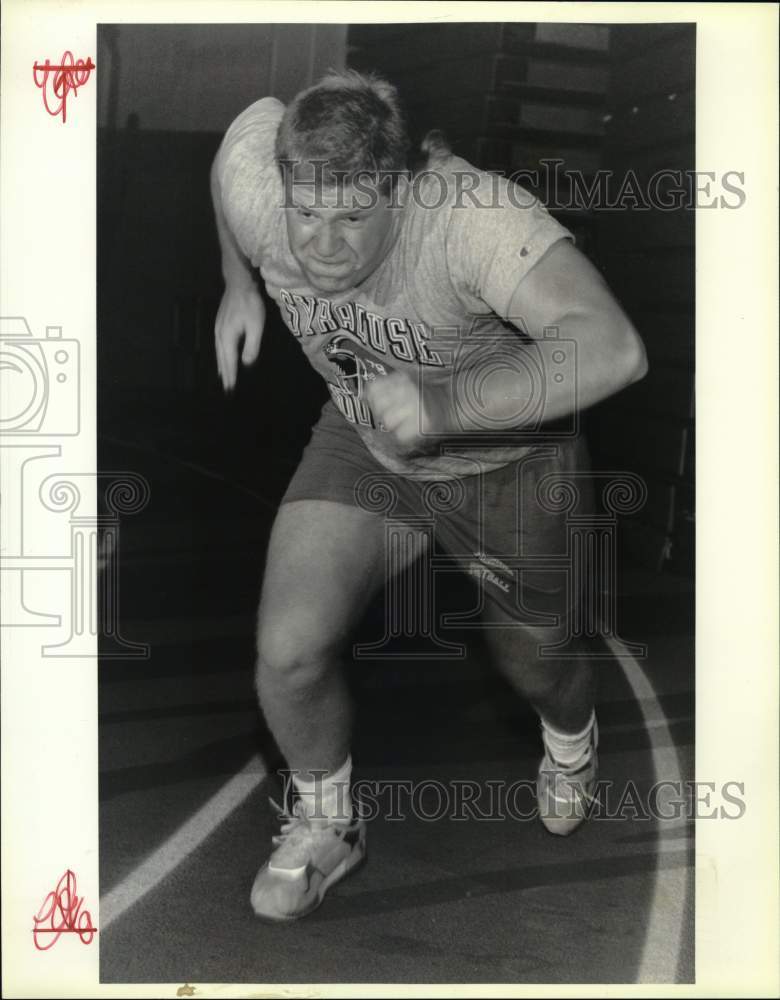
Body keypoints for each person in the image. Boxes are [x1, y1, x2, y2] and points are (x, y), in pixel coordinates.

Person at [211, 69, 648, 922]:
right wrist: (237, 282)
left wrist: (445, 408)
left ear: (401, 190)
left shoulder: (470, 217)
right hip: (369, 438)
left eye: (351, 219)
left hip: (509, 458)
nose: (321, 247)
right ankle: (329, 824)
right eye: (307, 214)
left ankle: (571, 740)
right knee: (288, 649)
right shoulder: (263, 190)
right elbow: (238, 143)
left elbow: (613, 347)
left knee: (536, 663)